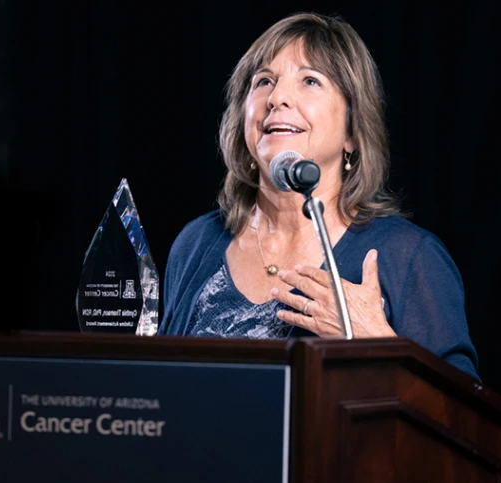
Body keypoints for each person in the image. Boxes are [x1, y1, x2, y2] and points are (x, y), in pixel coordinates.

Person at [158, 12, 480, 380]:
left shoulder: (408, 257)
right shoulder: (196, 243)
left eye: (310, 80)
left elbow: (463, 426)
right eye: (263, 81)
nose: (277, 97)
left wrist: (377, 344)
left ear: (353, 133)